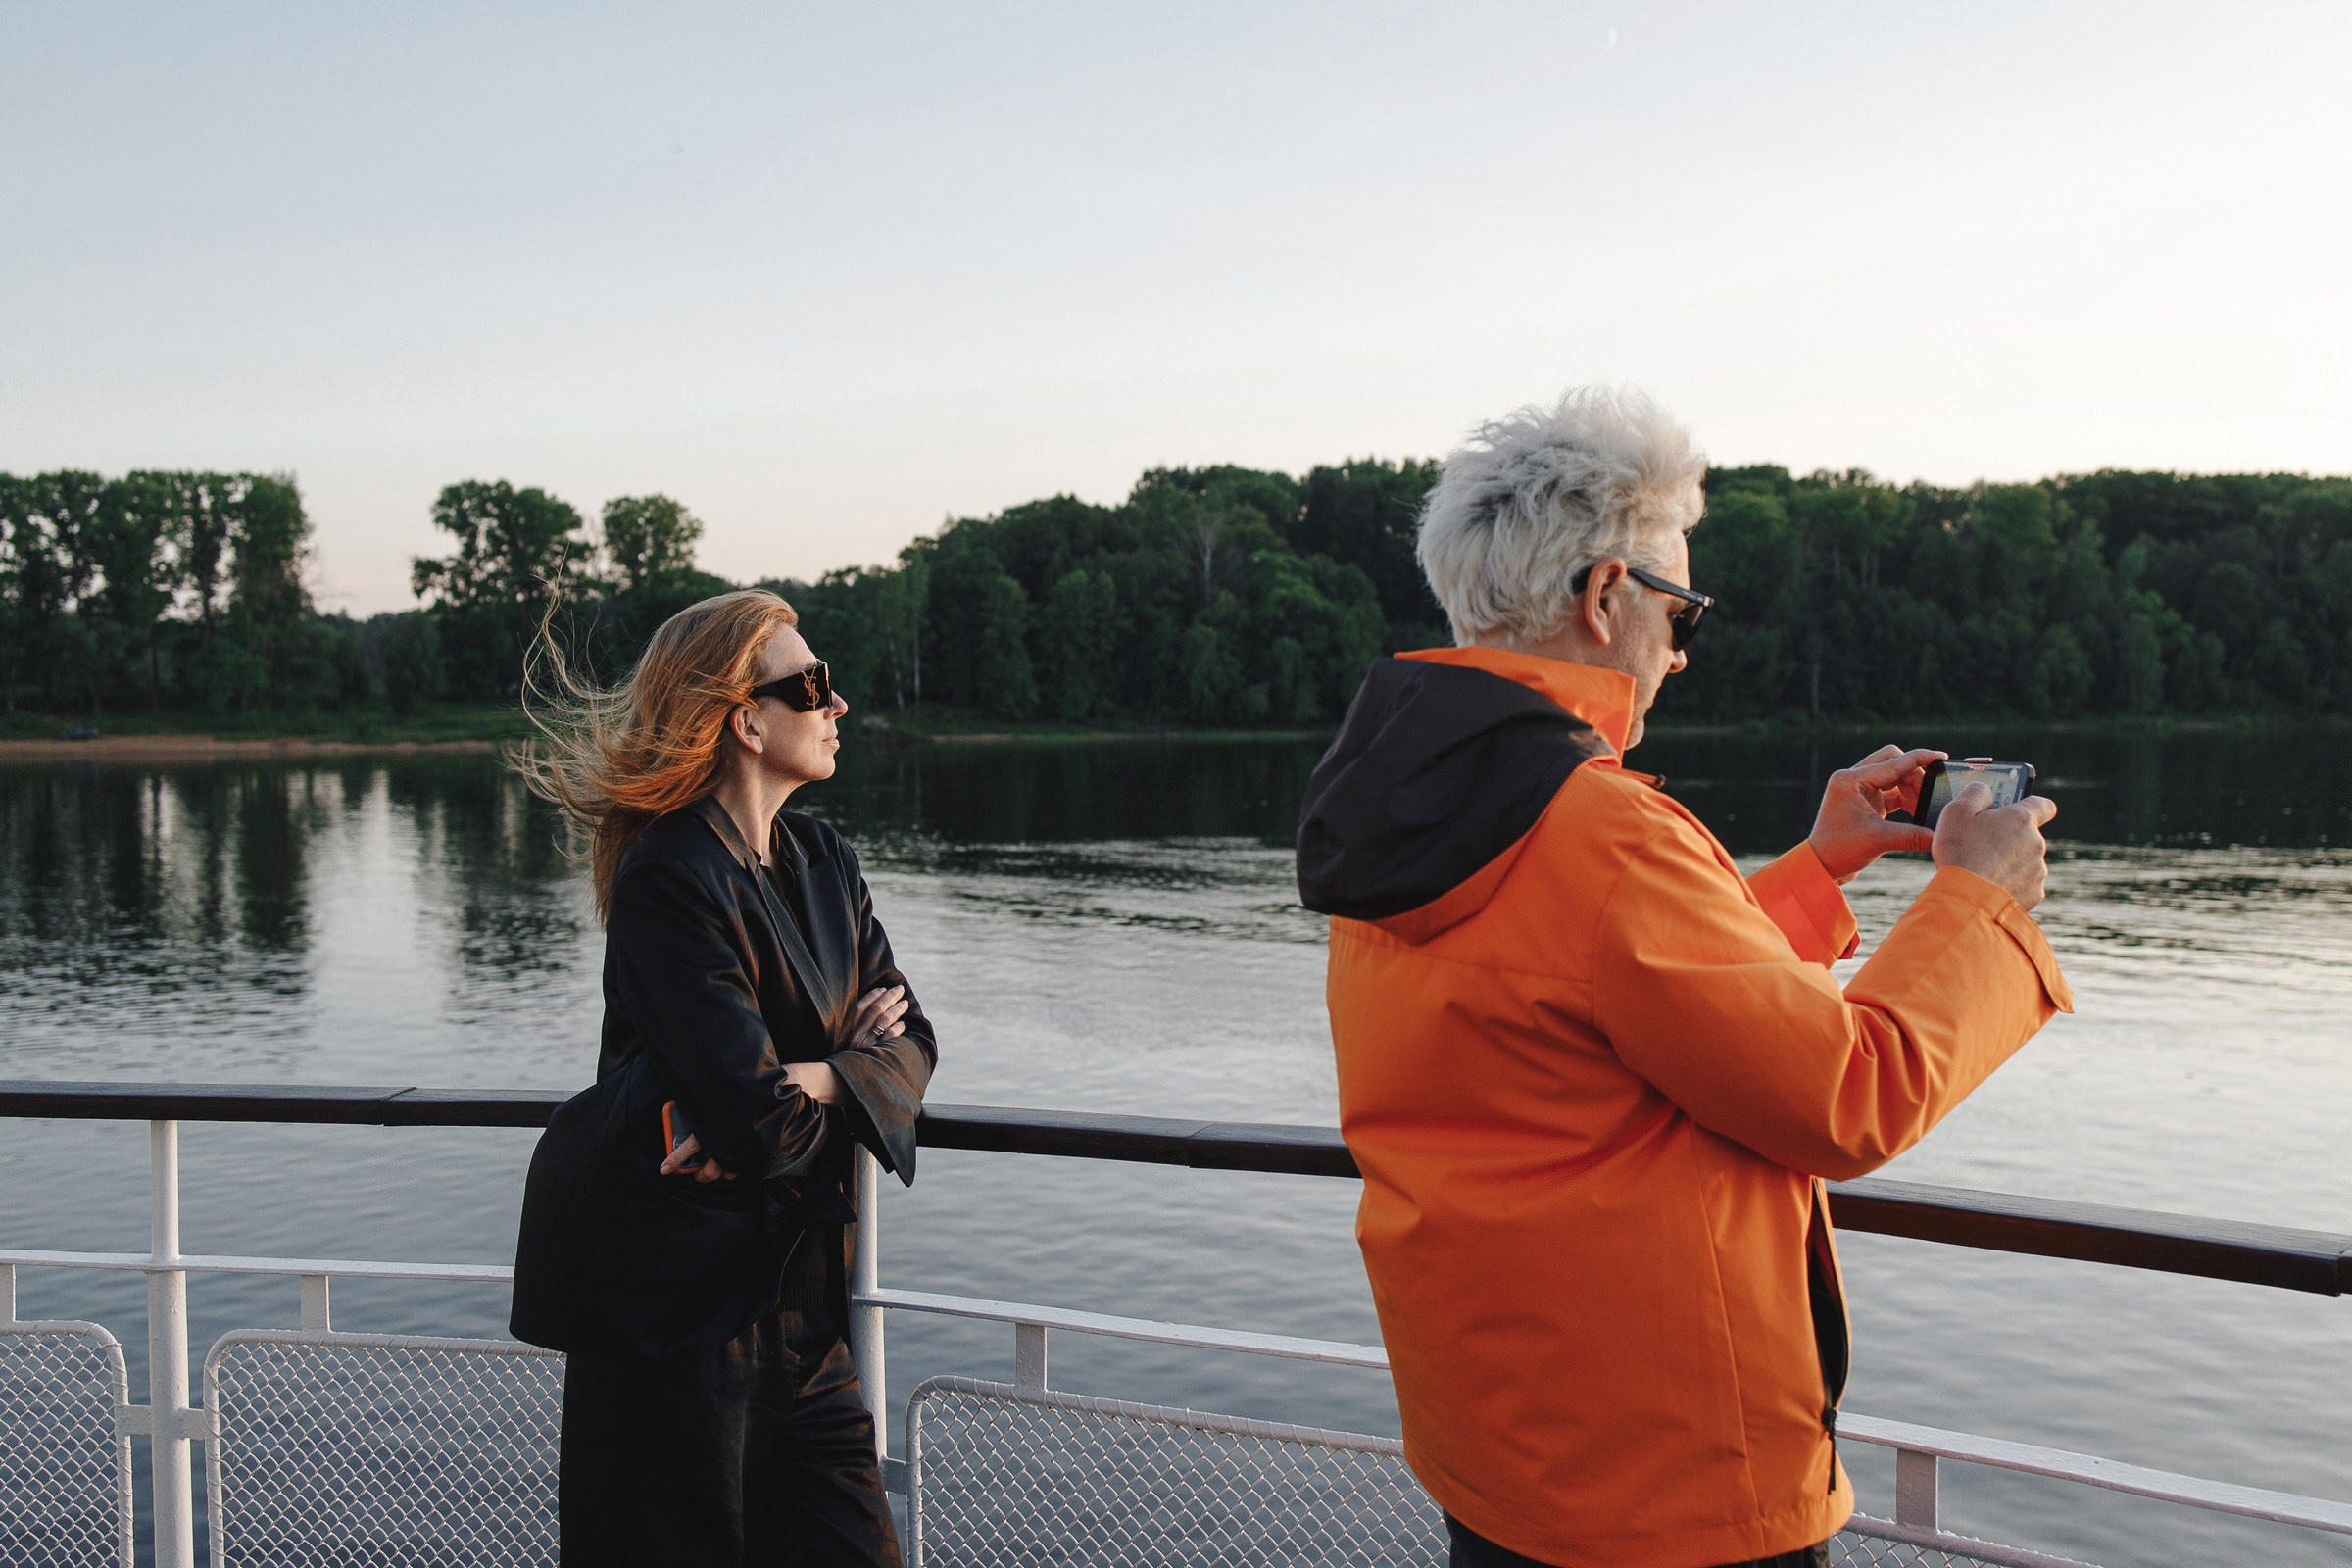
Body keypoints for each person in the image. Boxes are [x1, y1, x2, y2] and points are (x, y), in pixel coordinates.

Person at [1296, 389, 2070, 1568]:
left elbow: (1590, 1001)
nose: (1684, 648)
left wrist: (1818, 872)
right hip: (1670, 1494)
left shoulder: (1411, 807)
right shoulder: (1603, 830)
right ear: (1607, 598)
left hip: (1506, 1457)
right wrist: (1982, 899)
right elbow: (1848, 1094)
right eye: (1683, 608)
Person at [507, 589, 935, 1567]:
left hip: (802, 1321)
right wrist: (838, 1073)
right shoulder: (669, 877)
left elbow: (915, 1042)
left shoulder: (824, 858)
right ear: (746, 719)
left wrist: (814, 1075)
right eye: (813, 685)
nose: (840, 705)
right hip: (676, 1325)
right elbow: (759, 1131)